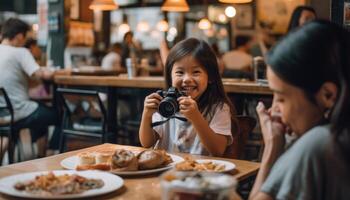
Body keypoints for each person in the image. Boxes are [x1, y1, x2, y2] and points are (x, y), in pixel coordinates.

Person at [249, 20, 350, 199]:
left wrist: (272, 148)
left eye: (281, 98)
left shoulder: (319, 144)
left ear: (327, 95)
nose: (274, 109)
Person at [139, 38, 238, 157]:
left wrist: (196, 117)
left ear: (211, 76)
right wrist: (146, 115)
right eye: (180, 73)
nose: (186, 79)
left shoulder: (218, 108)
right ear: (170, 77)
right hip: (166, 170)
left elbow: (217, 150)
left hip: (201, 171)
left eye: (196, 72)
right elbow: (147, 143)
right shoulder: (166, 105)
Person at [0, 18, 60, 158]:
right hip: (17, 111)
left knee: (40, 111)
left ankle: (40, 155)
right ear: (20, 36)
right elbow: (41, 74)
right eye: (26, 37)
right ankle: (50, 153)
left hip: (2, 111)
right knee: (59, 115)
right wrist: (53, 72)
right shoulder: (21, 52)